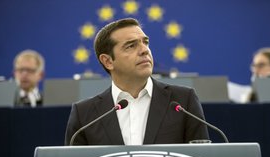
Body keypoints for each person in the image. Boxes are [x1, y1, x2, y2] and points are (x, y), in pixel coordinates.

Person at [65, 18, 209, 145]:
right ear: (108, 61)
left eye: (145, 43)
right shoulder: (85, 114)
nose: (144, 50)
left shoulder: (182, 101)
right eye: (131, 46)